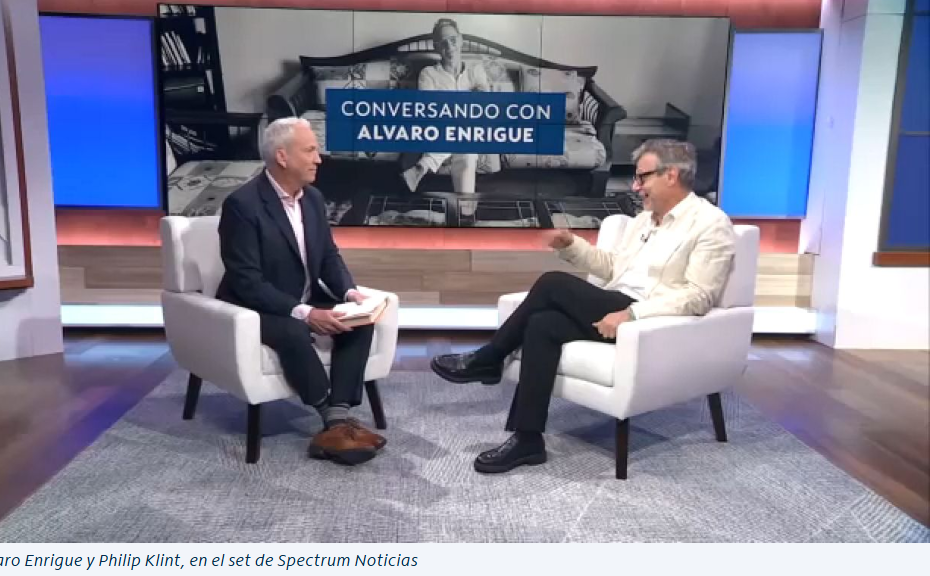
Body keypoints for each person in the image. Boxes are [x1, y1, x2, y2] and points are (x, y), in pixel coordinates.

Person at [430, 139, 737, 474]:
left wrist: (632, 314)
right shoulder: (643, 220)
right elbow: (613, 268)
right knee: (542, 324)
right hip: (615, 305)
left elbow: (699, 295)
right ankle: (528, 440)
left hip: (648, 318)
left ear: (671, 175)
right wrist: (571, 245)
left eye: (642, 177)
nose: (635, 187)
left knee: (553, 283)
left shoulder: (710, 223)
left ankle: (489, 358)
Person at [216, 117, 385, 466]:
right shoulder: (243, 206)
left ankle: (337, 419)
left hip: (303, 296)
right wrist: (307, 313)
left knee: (359, 322)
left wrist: (350, 293)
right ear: (282, 156)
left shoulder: (313, 199)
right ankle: (333, 423)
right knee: (294, 330)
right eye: (310, 150)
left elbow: (328, 256)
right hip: (255, 307)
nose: (318, 158)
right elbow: (247, 281)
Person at [400, 18, 490, 196]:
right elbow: (430, 111)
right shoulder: (428, 74)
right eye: (443, 43)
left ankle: (422, 166)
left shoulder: (476, 70)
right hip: (442, 130)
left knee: (467, 142)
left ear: (461, 40)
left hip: (472, 128)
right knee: (466, 146)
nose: (449, 47)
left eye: (453, 40)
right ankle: (464, 208)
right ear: (436, 47)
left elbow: (485, 106)